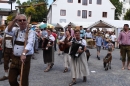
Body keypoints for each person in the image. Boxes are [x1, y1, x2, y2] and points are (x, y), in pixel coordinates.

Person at [5, 14, 35, 86]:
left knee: (23, 81)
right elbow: (7, 31)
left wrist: (24, 53)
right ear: (17, 22)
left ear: (27, 22)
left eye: (24, 20)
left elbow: (30, 43)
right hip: (15, 58)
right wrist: (14, 19)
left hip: (25, 59)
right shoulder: (15, 30)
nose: (22, 22)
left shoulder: (30, 32)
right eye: (20, 20)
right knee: (11, 80)